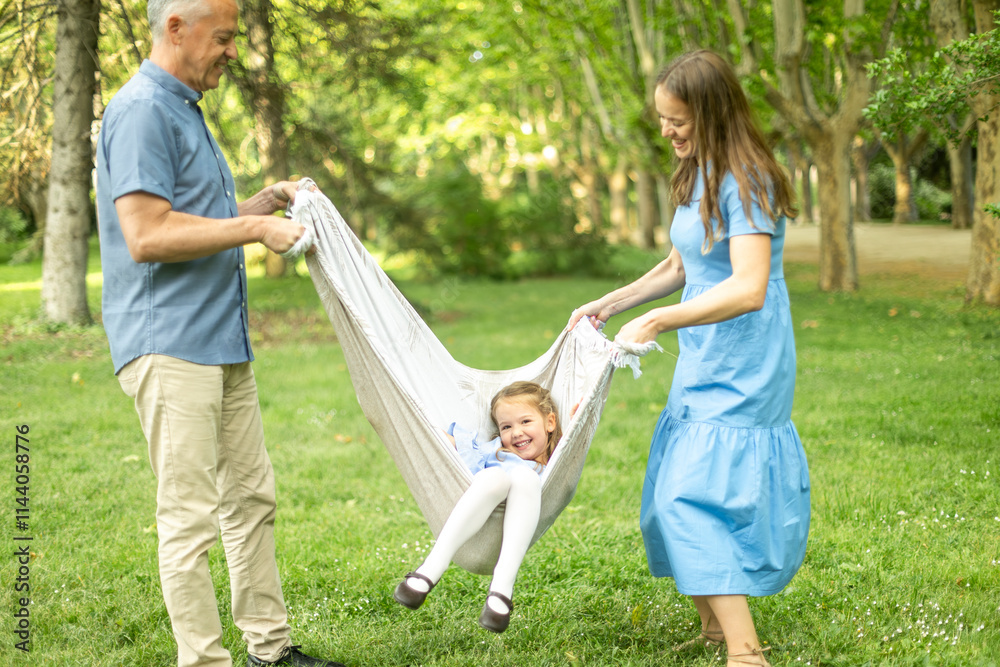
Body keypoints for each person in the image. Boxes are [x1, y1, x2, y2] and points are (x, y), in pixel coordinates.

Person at [95, 1, 341, 665]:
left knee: (250, 498)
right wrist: (256, 231)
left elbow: (192, 220)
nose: (232, 52)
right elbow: (147, 235)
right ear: (177, 28)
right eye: (224, 38)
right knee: (191, 517)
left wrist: (258, 204)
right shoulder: (142, 109)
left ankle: (270, 649)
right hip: (169, 343)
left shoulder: (183, 108)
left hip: (220, 340)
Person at [569, 50, 809, 667]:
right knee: (668, 495)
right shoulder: (698, 171)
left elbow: (749, 285)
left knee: (689, 495)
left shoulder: (747, 178)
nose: (667, 131)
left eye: (678, 120)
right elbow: (683, 265)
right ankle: (712, 629)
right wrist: (614, 302)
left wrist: (661, 319)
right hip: (706, 346)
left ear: (711, 112)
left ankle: (746, 653)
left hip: (745, 351)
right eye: (662, 119)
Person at [392, 381, 562, 634]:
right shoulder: (495, 452)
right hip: (482, 504)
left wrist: (579, 412)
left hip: (521, 508)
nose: (516, 432)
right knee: (496, 478)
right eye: (506, 426)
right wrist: (424, 430)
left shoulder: (556, 461)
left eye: (525, 422)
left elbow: (577, 431)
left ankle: (502, 588)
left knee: (525, 478)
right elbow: (457, 447)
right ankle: (431, 568)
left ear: (550, 423)